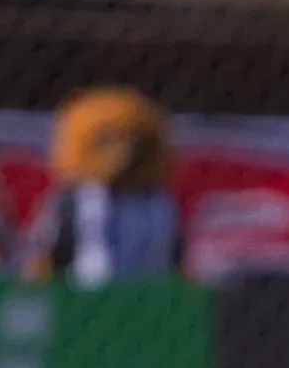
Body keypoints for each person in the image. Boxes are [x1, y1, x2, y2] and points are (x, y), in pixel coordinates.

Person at [23, 86, 185, 286]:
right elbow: (47, 256)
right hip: (84, 301)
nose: (123, 154)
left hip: (149, 300)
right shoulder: (74, 201)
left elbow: (175, 258)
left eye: (135, 143)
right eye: (107, 142)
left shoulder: (159, 205)